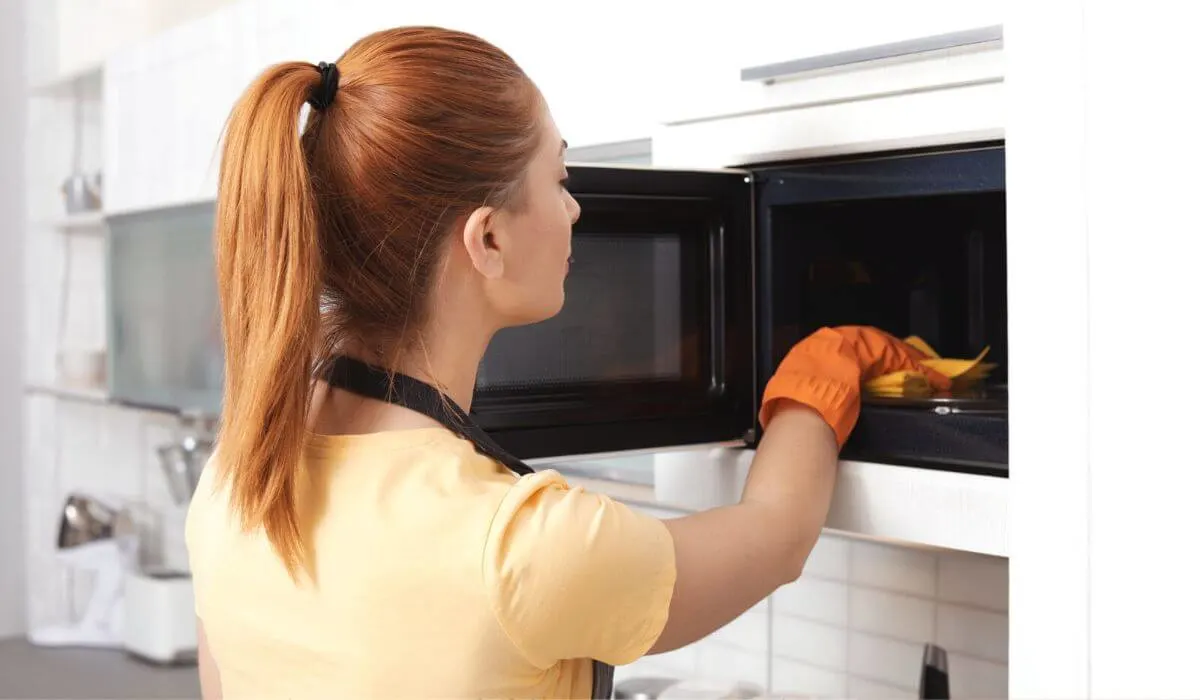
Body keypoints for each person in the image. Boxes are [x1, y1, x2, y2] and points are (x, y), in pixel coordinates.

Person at [184, 26, 949, 700]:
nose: (577, 208)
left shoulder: (237, 481)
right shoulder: (523, 545)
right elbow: (777, 534)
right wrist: (827, 363)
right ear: (487, 241)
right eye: (559, 178)